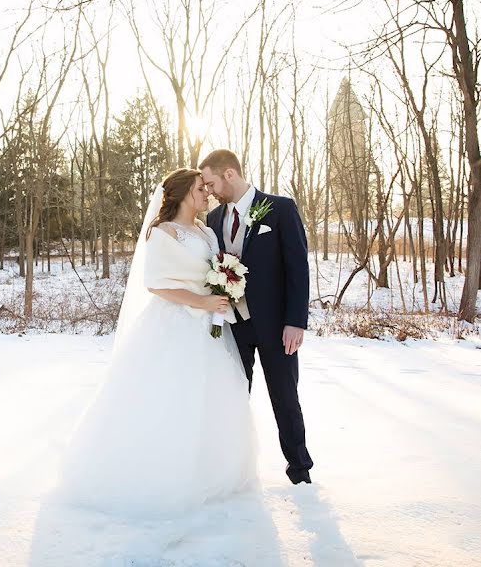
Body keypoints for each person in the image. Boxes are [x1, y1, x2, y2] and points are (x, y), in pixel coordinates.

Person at [52, 168, 258, 518]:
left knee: (208, 397)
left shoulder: (207, 231)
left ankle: (206, 471)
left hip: (209, 327)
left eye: (206, 190)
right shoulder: (164, 233)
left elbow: (213, 272)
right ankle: (161, 472)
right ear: (180, 195)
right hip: (175, 324)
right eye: (199, 189)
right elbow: (157, 284)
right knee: (170, 398)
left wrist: (223, 289)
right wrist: (203, 302)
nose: (206, 195)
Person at [200, 148, 313, 485]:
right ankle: (233, 469)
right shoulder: (214, 220)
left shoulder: (280, 209)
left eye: (210, 183)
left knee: (285, 397)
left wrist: (296, 321)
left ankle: (299, 469)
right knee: (235, 395)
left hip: (278, 326)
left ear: (229, 175)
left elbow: (298, 268)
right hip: (234, 325)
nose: (208, 191)